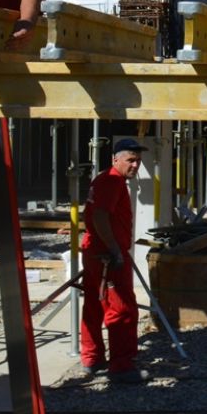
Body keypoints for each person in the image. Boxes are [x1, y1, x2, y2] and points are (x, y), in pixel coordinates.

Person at [80, 138, 148, 382]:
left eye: (138, 161)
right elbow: (100, 217)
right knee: (121, 309)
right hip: (107, 255)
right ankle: (121, 366)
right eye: (131, 160)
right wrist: (115, 250)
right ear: (115, 159)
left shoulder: (103, 179)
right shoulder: (112, 181)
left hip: (94, 252)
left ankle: (92, 357)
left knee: (93, 306)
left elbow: (91, 215)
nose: (135, 165)